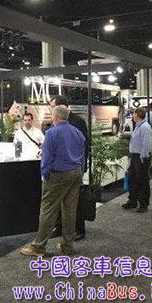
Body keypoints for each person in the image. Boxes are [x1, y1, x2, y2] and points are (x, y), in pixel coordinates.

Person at [20, 105, 85, 257]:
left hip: (58, 175)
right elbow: (82, 155)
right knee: (70, 211)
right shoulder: (77, 133)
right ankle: (67, 246)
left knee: (48, 210)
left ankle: (39, 247)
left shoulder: (51, 133)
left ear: (54, 116)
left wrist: (45, 174)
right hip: (75, 173)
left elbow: (47, 158)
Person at [50, 95, 88, 241]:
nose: (51, 109)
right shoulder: (56, 121)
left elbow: (84, 147)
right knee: (59, 201)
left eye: (52, 106)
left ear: (61, 106)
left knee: (74, 202)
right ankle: (60, 227)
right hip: (59, 170)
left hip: (73, 169)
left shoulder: (78, 121)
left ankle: (79, 229)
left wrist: (82, 167)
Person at [122, 107, 152, 213]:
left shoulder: (145, 127)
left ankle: (143, 204)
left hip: (141, 157)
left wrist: (143, 157)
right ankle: (132, 201)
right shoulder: (138, 126)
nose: (132, 115)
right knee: (132, 179)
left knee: (142, 181)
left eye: (134, 113)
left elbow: (146, 143)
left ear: (138, 115)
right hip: (135, 156)